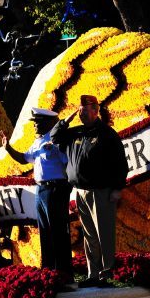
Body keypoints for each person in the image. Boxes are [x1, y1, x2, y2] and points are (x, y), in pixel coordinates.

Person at [51, 95, 128, 287]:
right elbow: (54, 136)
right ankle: (93, 274)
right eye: (79, 111)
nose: (81, 114)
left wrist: (117, 188)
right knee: (90, 235)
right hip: (80, 192)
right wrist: (66, 119)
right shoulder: (75, 133)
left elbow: (120, 164)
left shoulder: (107, 134)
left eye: (85, 111)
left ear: (95, 110)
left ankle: (106, 273)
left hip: (101, 191)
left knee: (104, 234)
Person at [0, 107, 72, 276]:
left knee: (58, 232)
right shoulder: (38, 141)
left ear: (49, 123)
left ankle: (63, 273)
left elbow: (69, 163)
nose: (34, 126)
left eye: (37, 123)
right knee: (45, 232)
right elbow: (24, 159)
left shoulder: (58, 139)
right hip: (41, 189)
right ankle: (48, 271)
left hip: (56, 188)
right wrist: (8, 148)